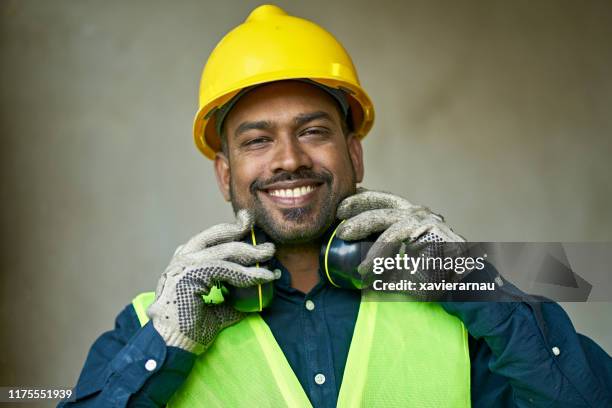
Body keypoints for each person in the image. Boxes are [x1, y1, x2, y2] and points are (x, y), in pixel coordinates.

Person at [61, 5, 612, 407]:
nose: (289, 159)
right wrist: (164, 345)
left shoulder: (463, 317)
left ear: (354, 154)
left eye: (313, 131)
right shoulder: (146, 325)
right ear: (225, 173)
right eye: (257, 140)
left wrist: (473, 279)